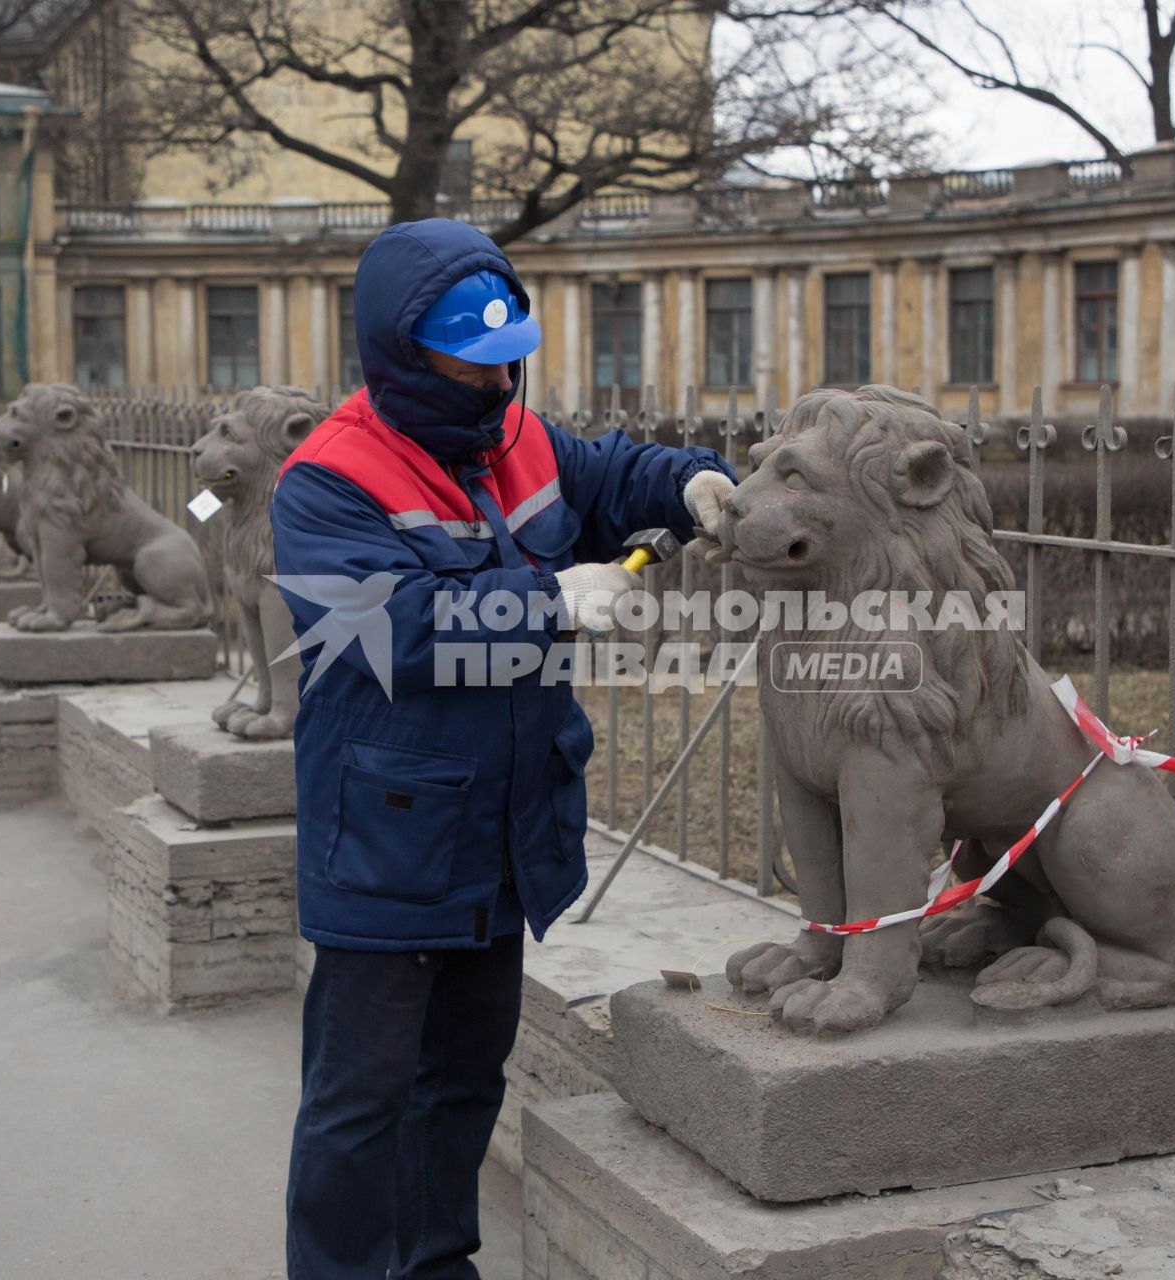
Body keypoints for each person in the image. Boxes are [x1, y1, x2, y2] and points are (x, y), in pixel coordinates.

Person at [272, 218, 738, 1280]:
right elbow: (390, 626)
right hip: (386, 843)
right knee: (359, 1100)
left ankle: (436, 1263)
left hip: (494, 835)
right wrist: (553, 596)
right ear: (402, 348)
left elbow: (613, 471)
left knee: (463, 1076)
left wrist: (690, 482)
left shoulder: (515, 435)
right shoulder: (328, 478)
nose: (494, 378)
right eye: (468, 357)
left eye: (505, 356)